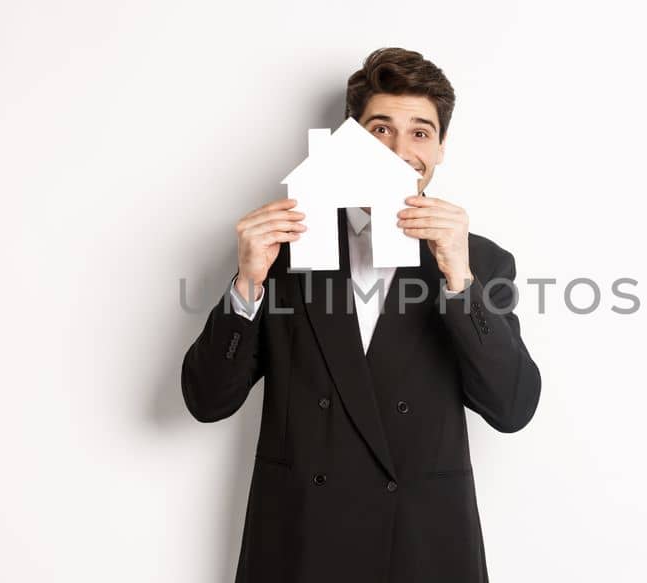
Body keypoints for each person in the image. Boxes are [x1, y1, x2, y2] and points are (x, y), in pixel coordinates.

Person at [180, 47, 542, 583]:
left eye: (420, 132)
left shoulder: (480, 259)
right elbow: (207, 402)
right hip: (301, 543)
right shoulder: (284, 252)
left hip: (424, 548)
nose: (400, 150)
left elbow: (512, 408)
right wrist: (248, 283)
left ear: (440, 148)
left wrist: (459, 280)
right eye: (380, 130)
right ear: (348, 143)